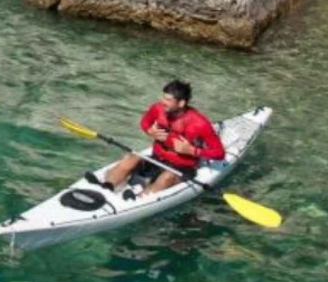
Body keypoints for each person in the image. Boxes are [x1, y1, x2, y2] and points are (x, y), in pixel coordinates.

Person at [87, 79, 225, 198]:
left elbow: (219, 153)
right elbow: (144, 122)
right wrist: (150, 131)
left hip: (182, 167)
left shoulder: (200, 124)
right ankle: (106, 187)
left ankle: (138, 199)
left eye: (168, 100)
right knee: (130, 158)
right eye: (163, 97)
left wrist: (192, 151)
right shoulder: (158, 109)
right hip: (157, 158)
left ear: (181, 103)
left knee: (167, 177)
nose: (162, 102)